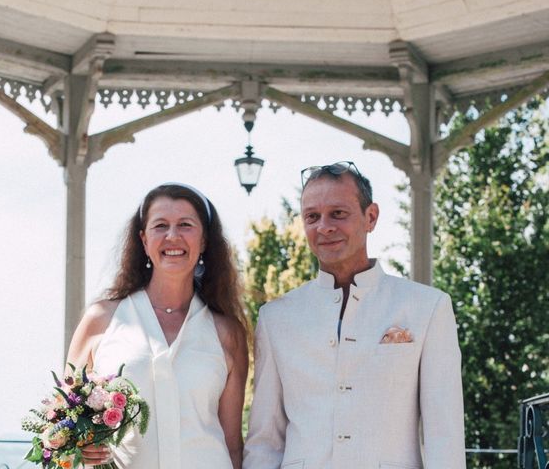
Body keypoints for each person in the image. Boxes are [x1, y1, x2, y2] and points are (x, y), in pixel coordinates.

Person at [244, 162, 466, 469]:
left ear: (370, 217)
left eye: (338, 213)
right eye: (312, 217)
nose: (324, 227)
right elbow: (265, 441)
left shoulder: (427, 307)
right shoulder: (275, 319)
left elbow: (444, 435)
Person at [67, 183, 249, 469]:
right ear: (143, 239)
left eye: (185, 225)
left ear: (203, 241)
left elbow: (232, 443)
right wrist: (81, 445)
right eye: (160, 225)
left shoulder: (227, 333)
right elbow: (64, 426)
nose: (172, 236)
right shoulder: (101, 320)